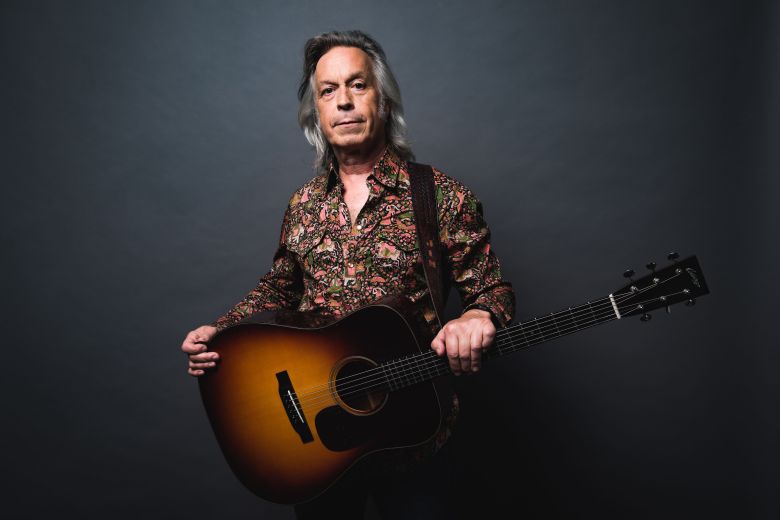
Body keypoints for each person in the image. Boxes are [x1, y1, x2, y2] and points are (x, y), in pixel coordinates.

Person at [180, 30, 515, 519]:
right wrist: (222, 329)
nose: (344, 102)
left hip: (414, 434)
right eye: (328, 90)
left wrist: (480, 315)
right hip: (318, 441)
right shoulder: (303, 205)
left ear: (382, 98)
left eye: (357, 85)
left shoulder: (441, 195)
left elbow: (492, 288)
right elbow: (280, 286)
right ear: (316, 112)